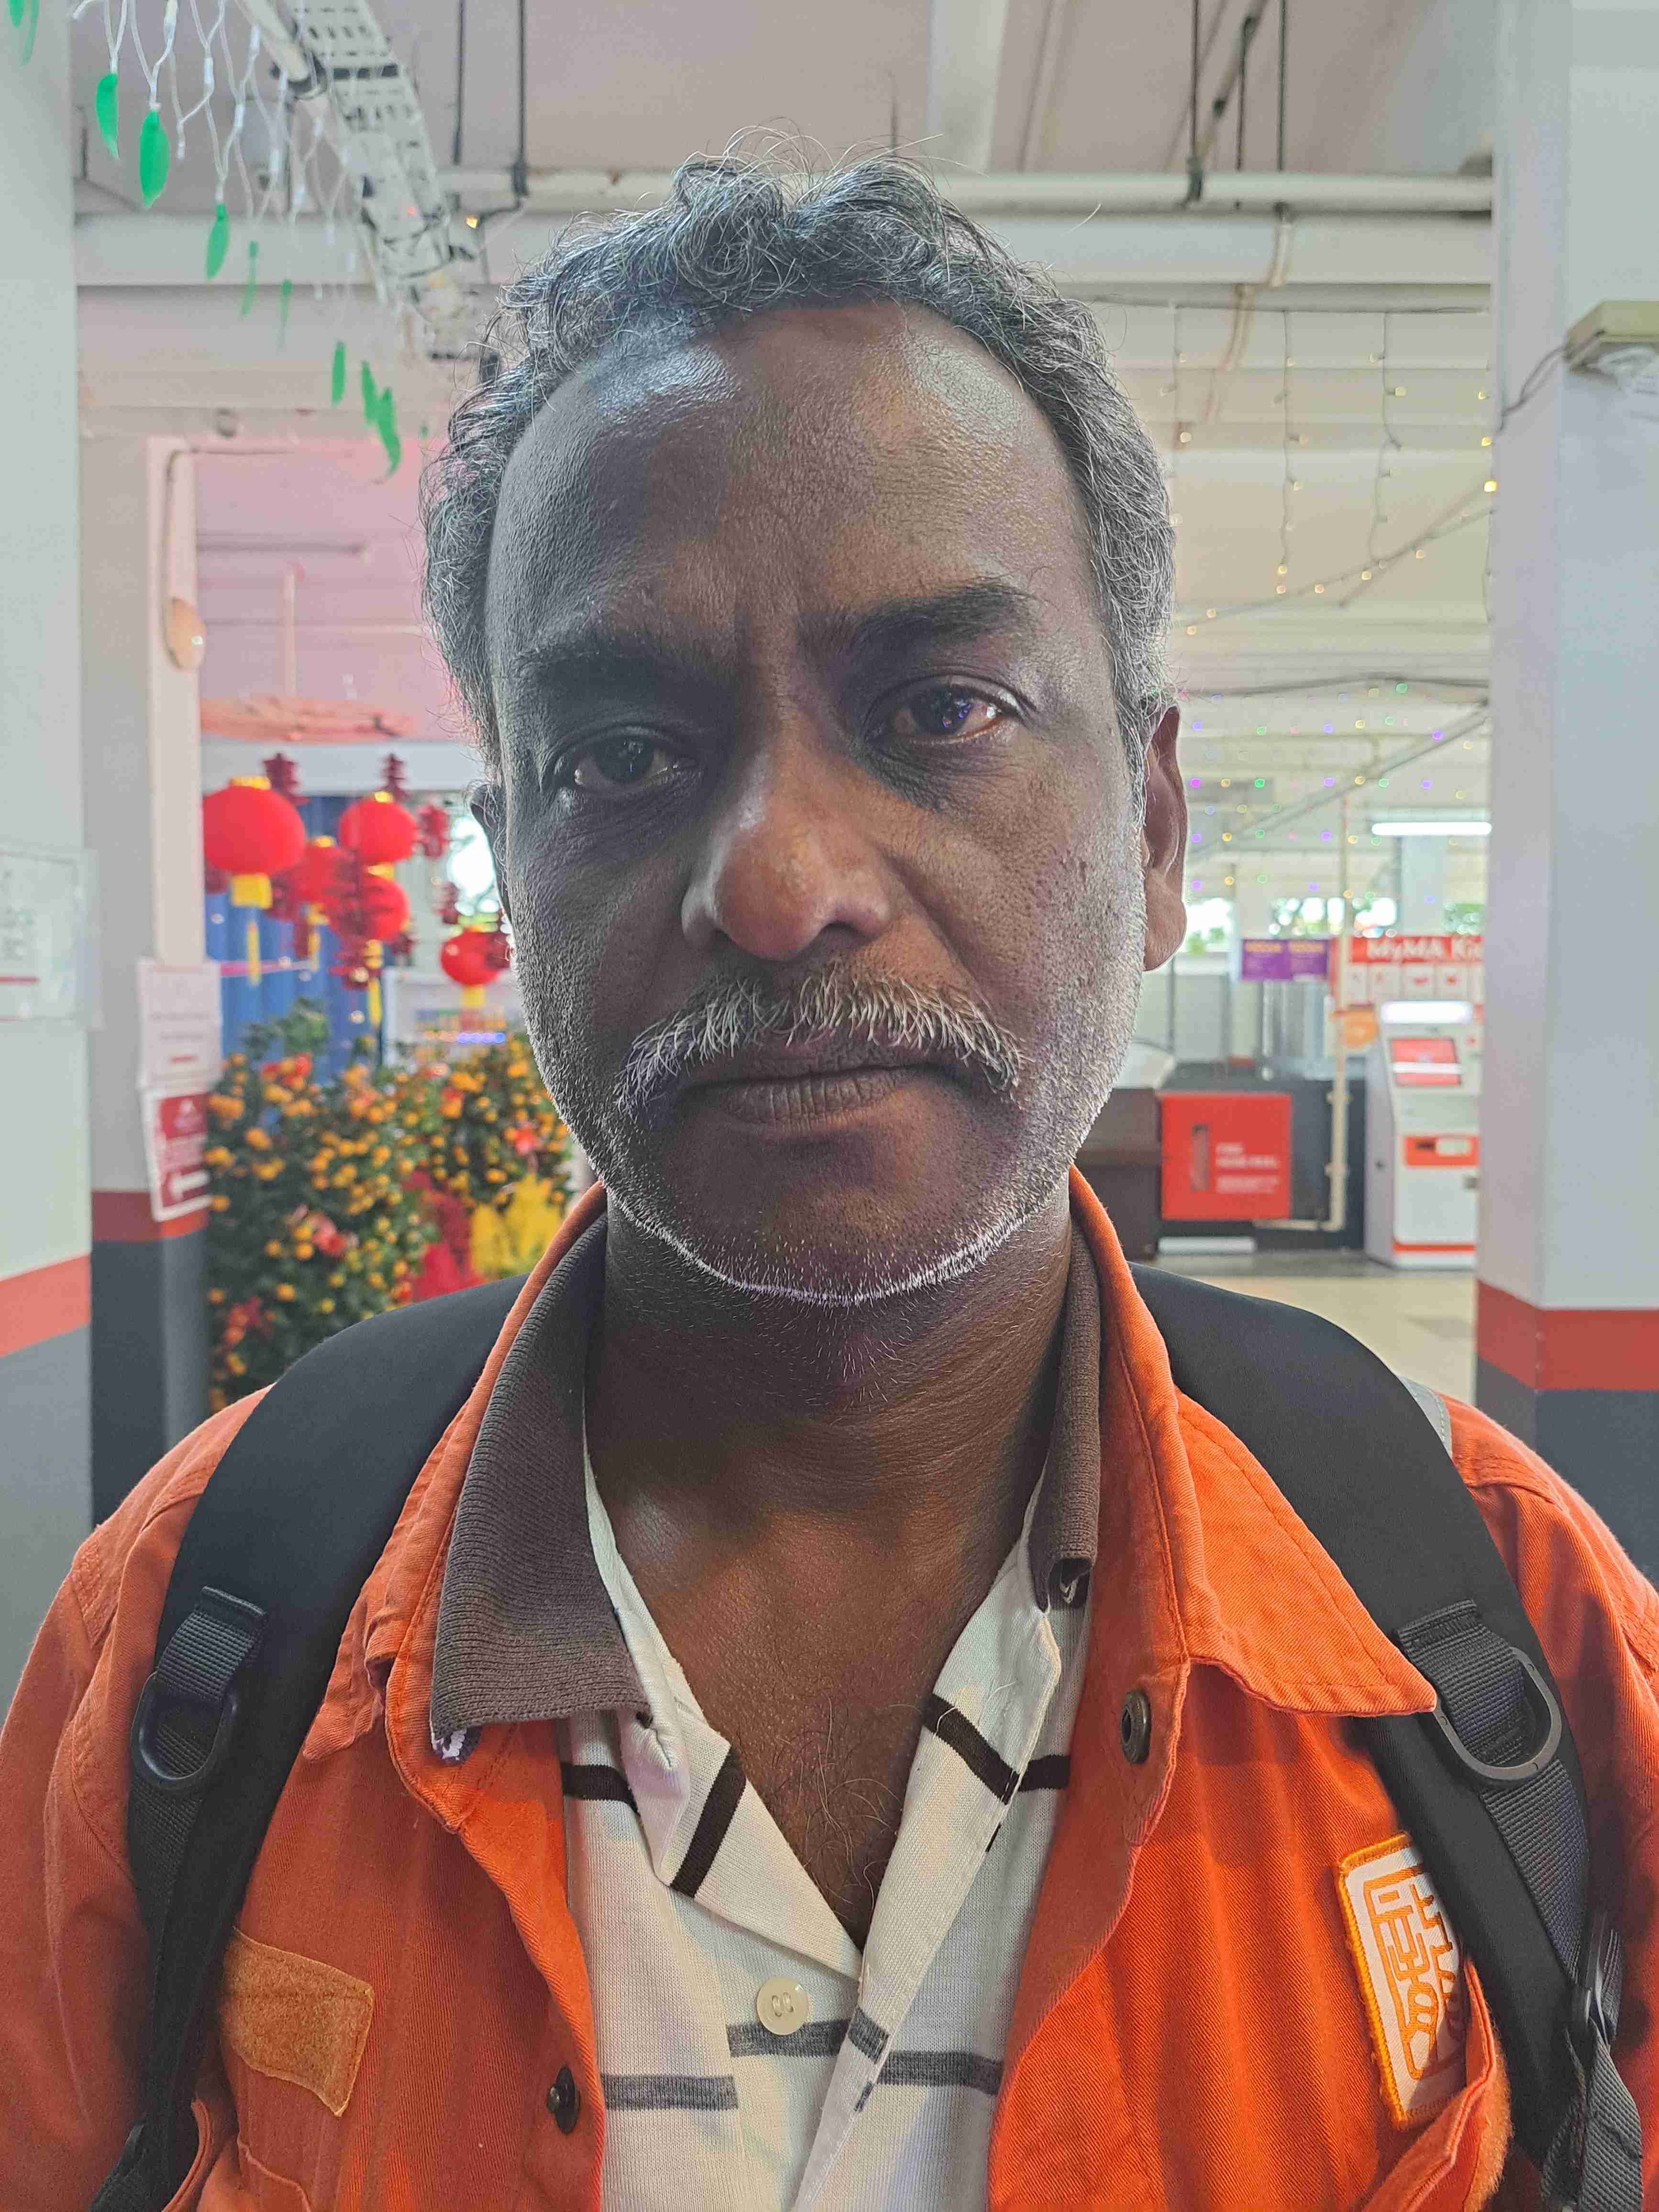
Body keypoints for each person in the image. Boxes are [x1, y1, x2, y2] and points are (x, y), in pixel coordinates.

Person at [3, 154, 1655, 2212]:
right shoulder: (201, 1633)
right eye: (622, 752)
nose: (779, 885)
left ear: (1152, 831)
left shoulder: (1496, 1629)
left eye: (939, 711)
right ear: (512, 868)